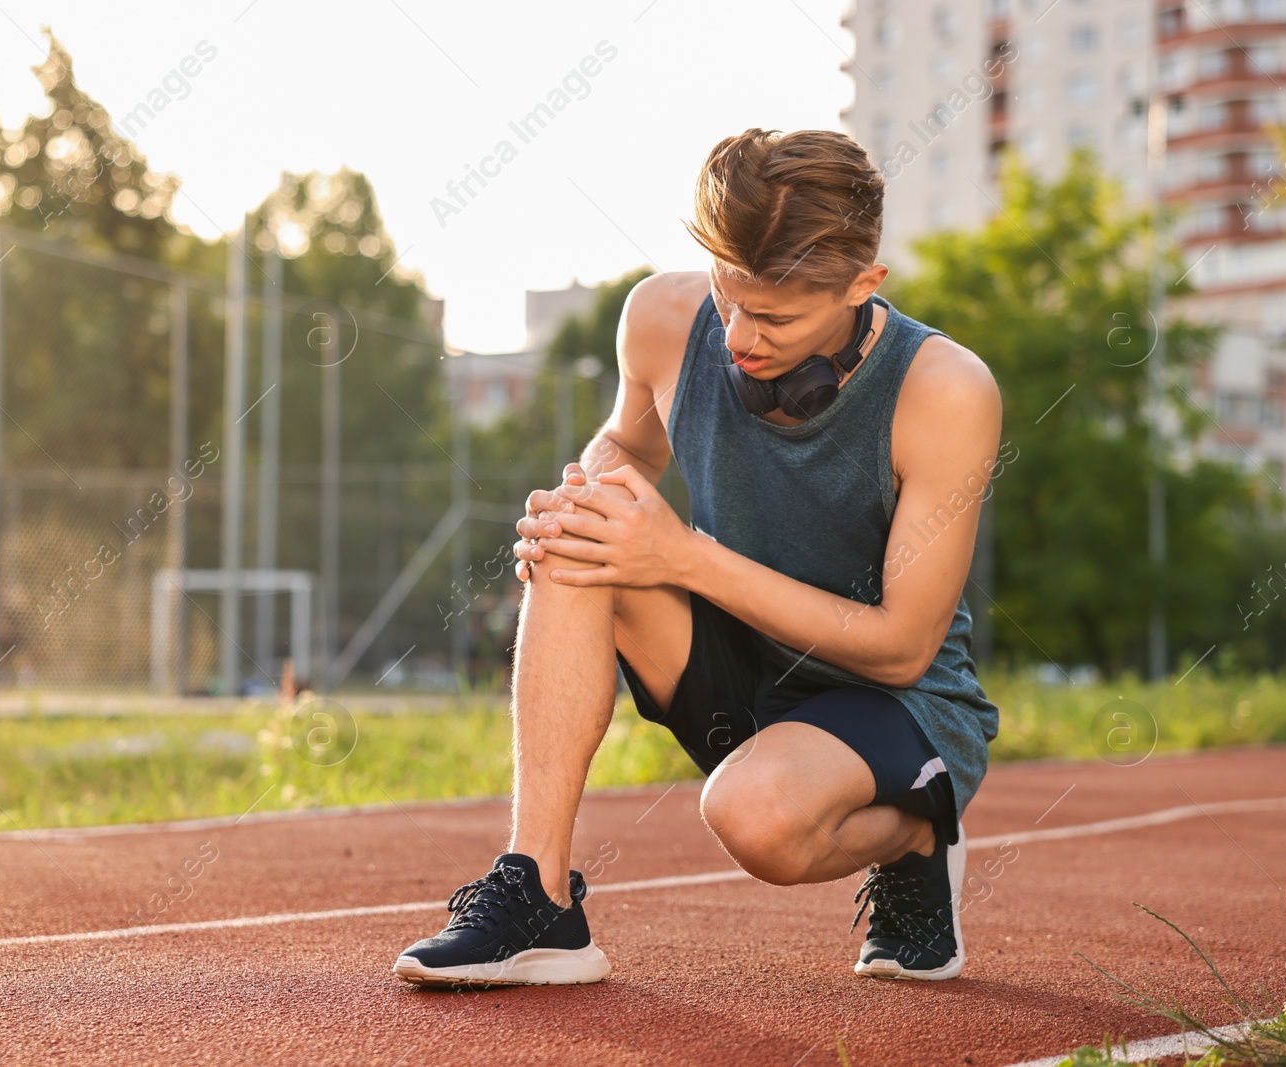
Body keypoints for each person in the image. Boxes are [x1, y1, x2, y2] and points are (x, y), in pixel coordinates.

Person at [393, 128, 1003, 987]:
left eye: (778, 317)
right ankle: (540, 898)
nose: (741, 337)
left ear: (865, 286)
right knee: (584, 538)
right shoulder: (660, 319)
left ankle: (914, 835)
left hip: (891, 696)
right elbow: (626, 446)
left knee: (753, 820)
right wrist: (583, 496)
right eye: (729, 296)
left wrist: (681, 555)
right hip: (736, 656)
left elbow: (903, 642)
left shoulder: (946, 390)